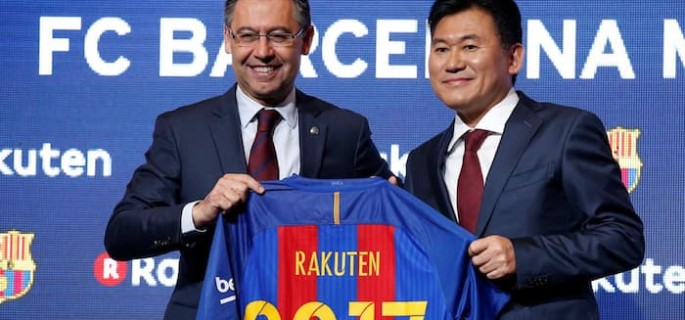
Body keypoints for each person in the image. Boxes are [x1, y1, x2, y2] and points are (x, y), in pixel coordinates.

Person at [104, 0, 392, 319]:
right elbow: (121, 234)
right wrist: (200, 213)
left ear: (307, 40)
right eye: (247, 35)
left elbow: (393, 212)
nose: (263, 51)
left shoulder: (344, 130)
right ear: (228, 39)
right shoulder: (182, 129)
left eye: (279, 35)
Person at [403, 0, 645, 319]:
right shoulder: (421, 161)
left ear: (513, 57)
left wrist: (523, 257)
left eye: (470, 46)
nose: (453, 63)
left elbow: (623, 238)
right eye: (441, 49)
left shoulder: (566, 130)